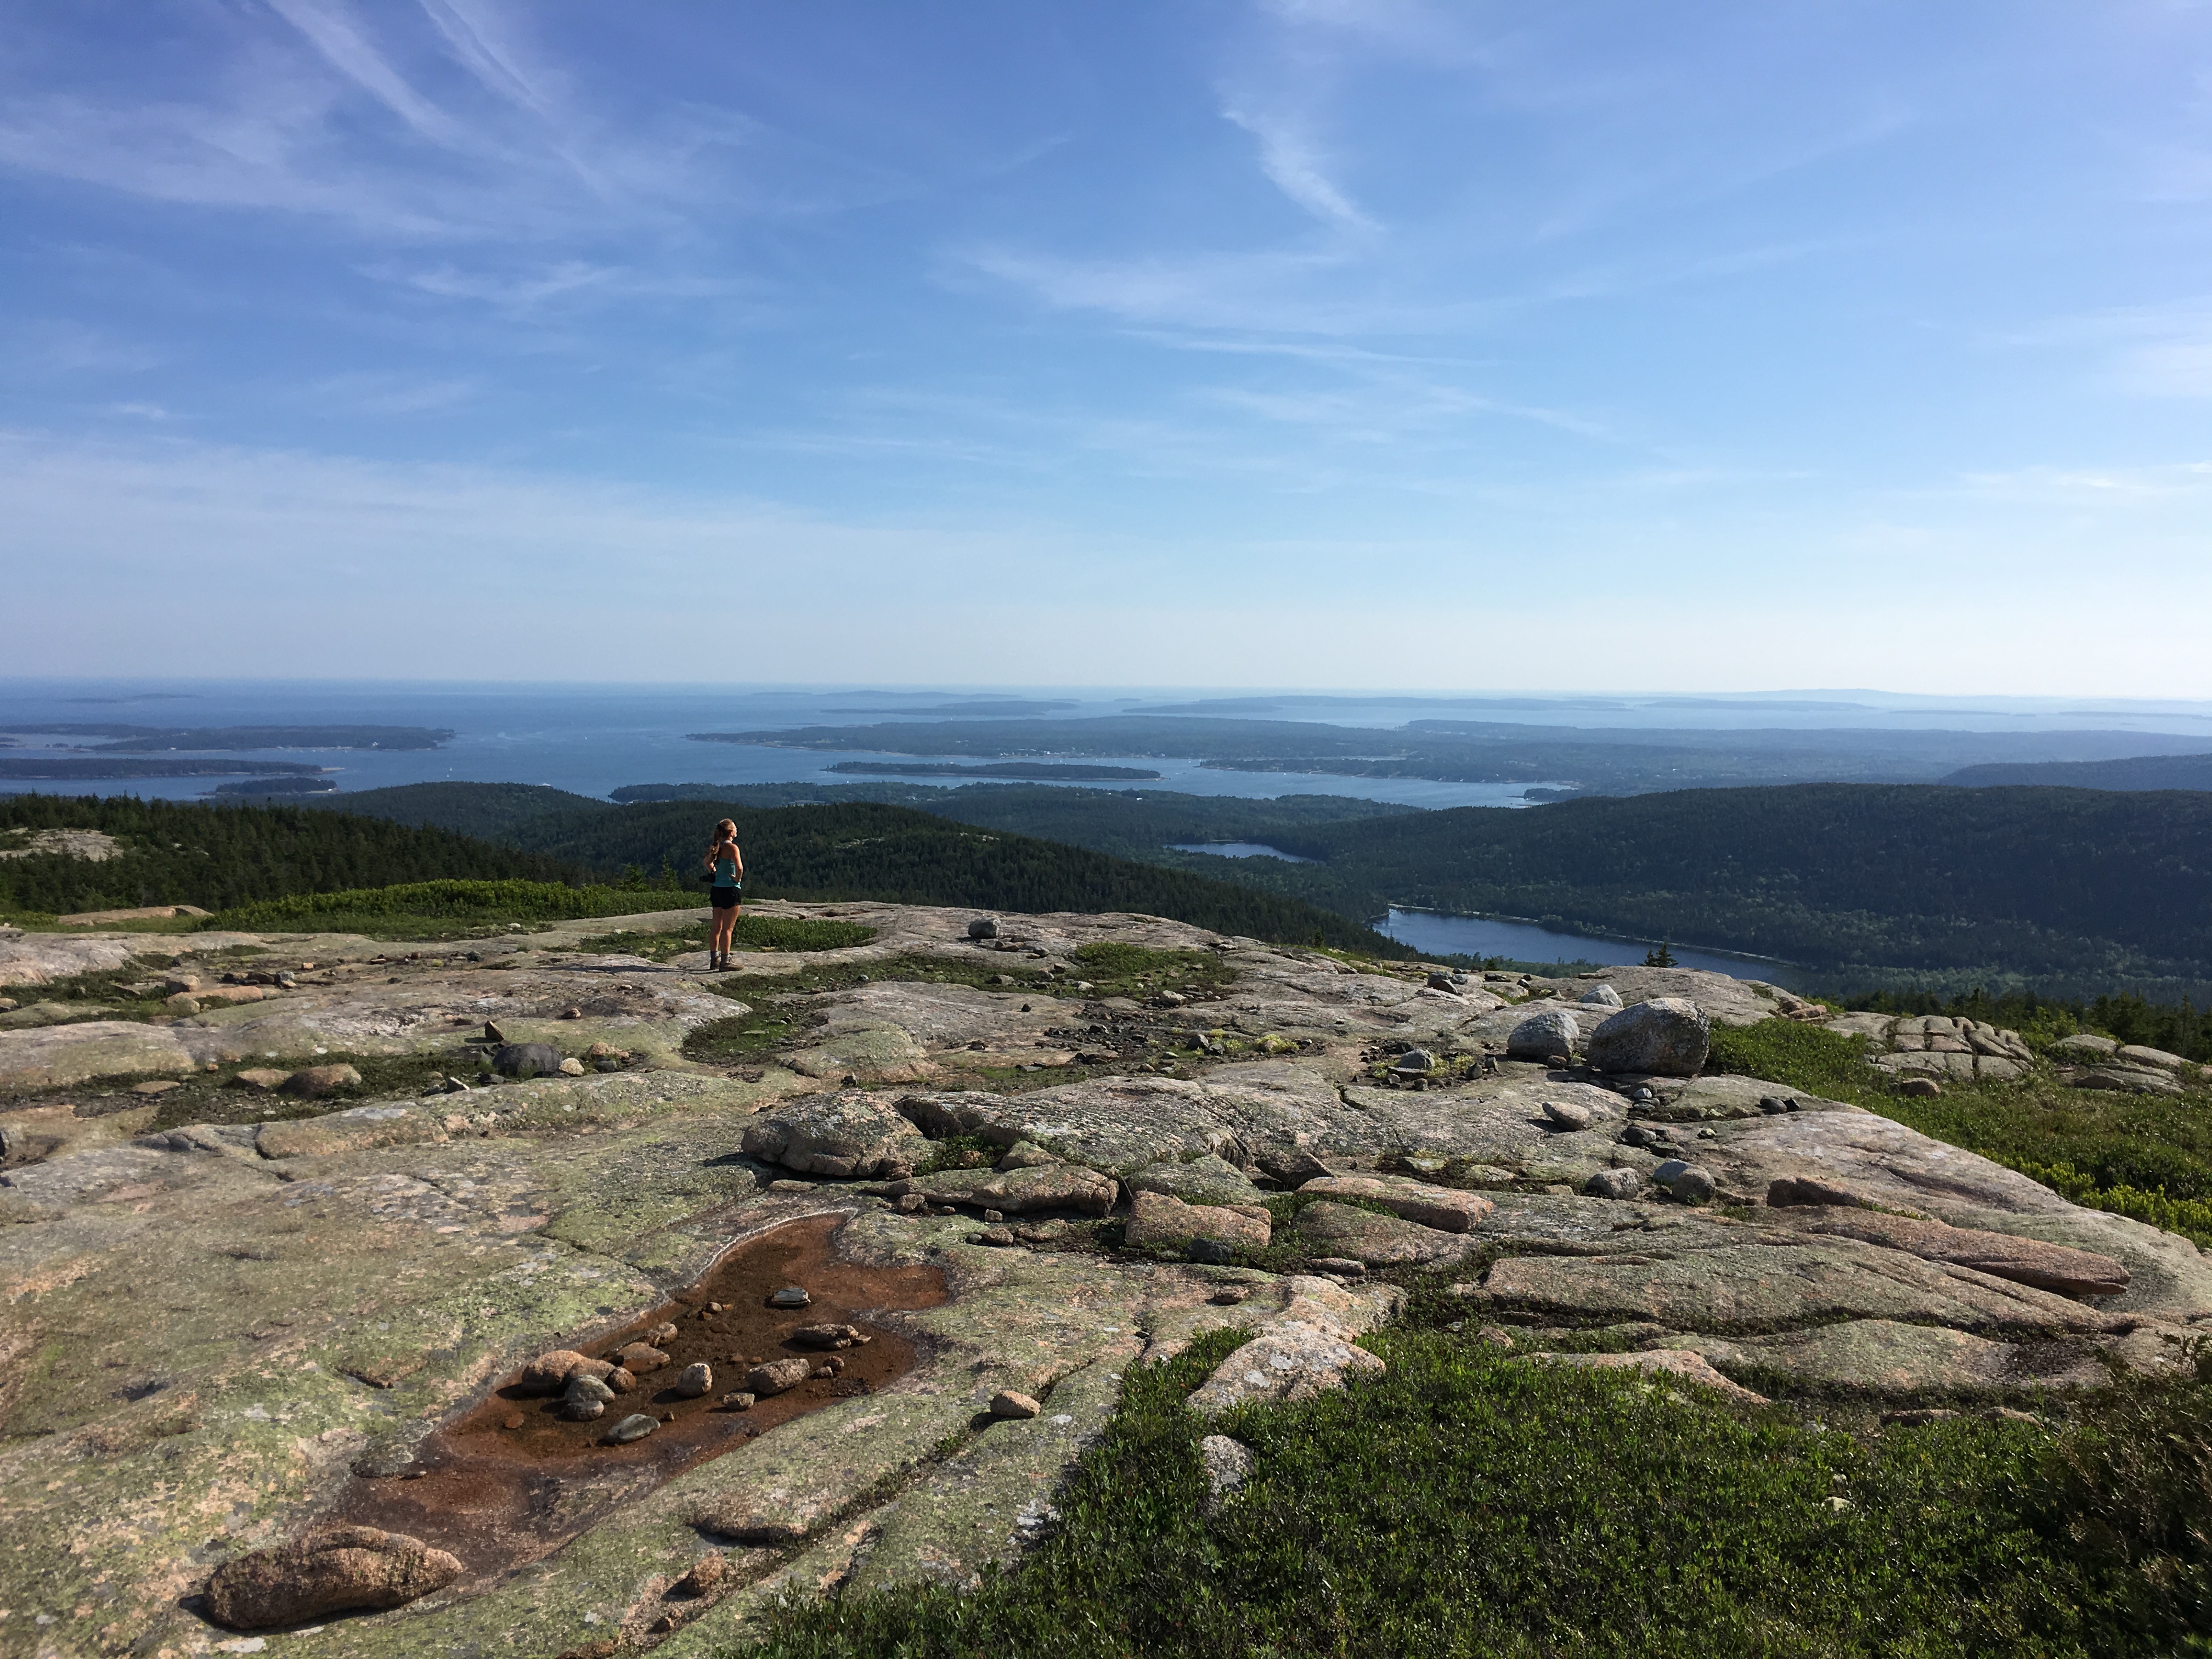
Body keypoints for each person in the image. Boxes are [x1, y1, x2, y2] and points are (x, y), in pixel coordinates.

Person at [702, 819, 744, 970]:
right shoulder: (732, 848)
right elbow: (739, 868)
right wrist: (737, 879)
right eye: (735, 828)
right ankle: (726, 961)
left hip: (717, 889)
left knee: (716, 927)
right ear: (731, 833)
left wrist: (714, 873)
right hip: (730, 890)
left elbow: (707, 862)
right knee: (728, 928)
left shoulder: (716, 846)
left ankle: (715, 959)